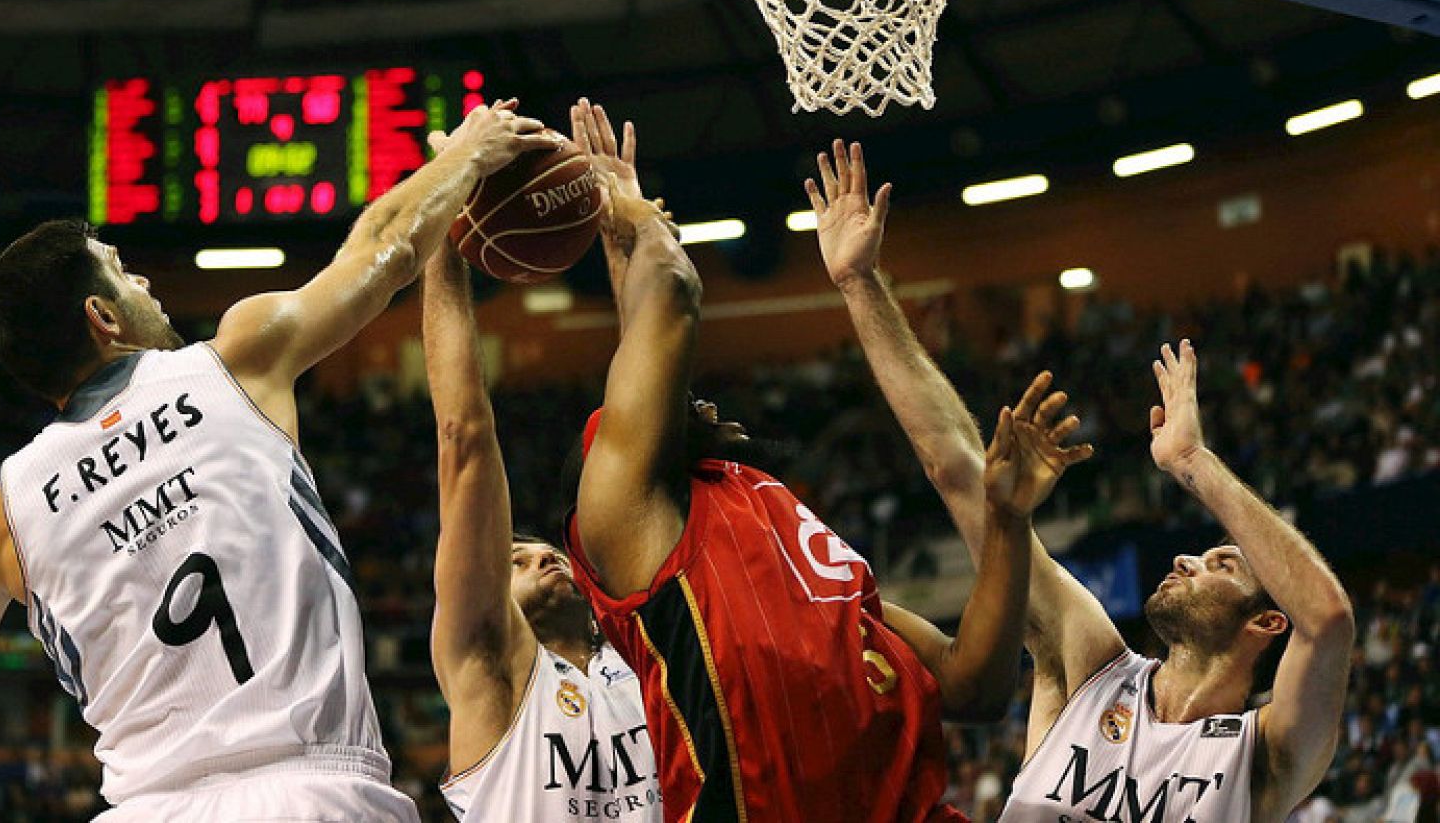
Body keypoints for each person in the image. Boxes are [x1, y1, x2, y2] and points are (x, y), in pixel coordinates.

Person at [0, 100, 558, 821]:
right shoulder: (237, 358)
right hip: (313, 790)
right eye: (122, 273)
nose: (146, 284)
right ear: (102, 318)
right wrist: (468, 154)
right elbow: (386, 249)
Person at [818, 137, 1357, 822]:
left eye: (1222, 562)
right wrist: (859, 285)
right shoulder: (1089, 665)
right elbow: (956, 469)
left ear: (1267, 619)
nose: (1186, 556)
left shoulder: (1266, 753)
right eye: (1202, 550)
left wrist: (1194, 464)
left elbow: (1330, 617)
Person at [562, 116, 1077, 822]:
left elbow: (974, 687)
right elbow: (668, 305)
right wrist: (633, 218)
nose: (700, 394)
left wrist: (1010, 523)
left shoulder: (774, 514)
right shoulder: (639, 532)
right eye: (676, 397)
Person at [420, 213, 656, 820]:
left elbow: (647, 431)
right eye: (517, 561)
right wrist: (442, 244)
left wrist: (625, 243)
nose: (544, 556)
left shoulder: (652, 660)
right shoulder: (491, 673)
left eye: (546, 551)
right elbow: (463, 435)